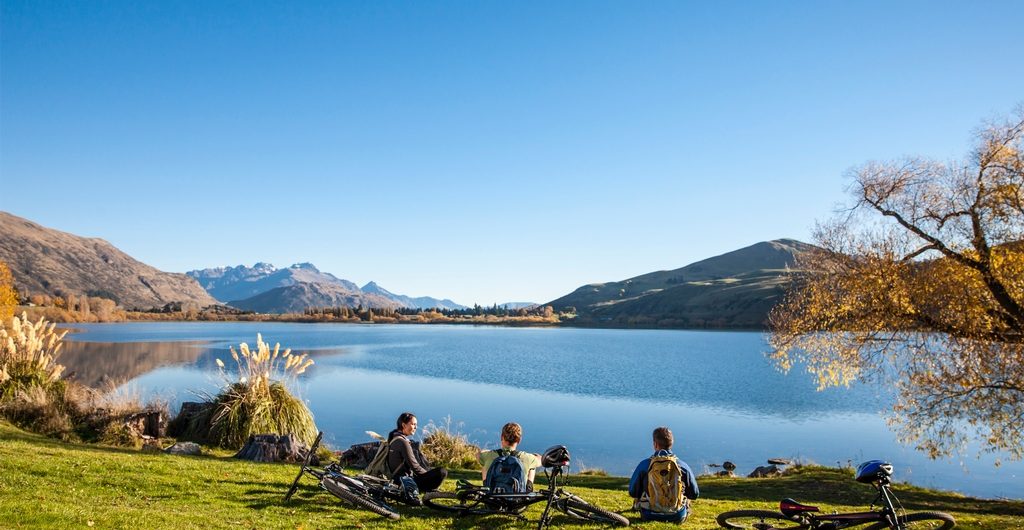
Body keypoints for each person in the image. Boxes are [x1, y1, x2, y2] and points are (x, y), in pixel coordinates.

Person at [628, 426, 699, 523]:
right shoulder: (682, 466)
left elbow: (632, 492)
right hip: (677, 517)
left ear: (655, 444)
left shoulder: (645, 465)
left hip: (649, 516)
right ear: (671, 444)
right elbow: (694, 494)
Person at [386, 412, 448, 497]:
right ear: (404, 425)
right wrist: (429, 476)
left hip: (397, 479)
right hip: (405, 482)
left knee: (428, 468)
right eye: (413, 424)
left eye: (416, 424)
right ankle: (427, 489)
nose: (415, 427)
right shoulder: (403, 442)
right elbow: (415, 468)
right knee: (442, 472)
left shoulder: (394, 438)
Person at [479, 422, 542, 492]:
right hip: (518, 498)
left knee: (484, 463)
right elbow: (541, 461)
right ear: (519, 440)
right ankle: (527, 491)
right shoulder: (526, 457)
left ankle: (486, 488)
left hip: (493, 496)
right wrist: (534, 455)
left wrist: (486, 451)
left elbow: (478, 455)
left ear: (502, 437)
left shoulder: (489, 455)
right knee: (532, 467)